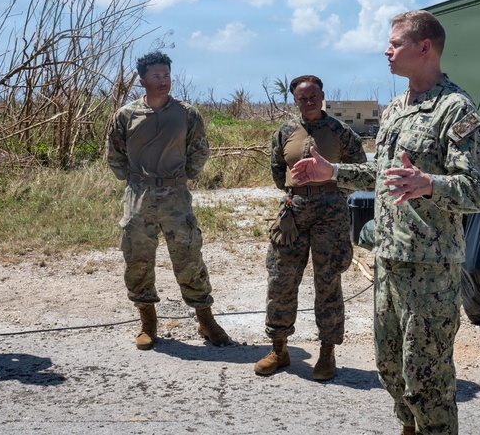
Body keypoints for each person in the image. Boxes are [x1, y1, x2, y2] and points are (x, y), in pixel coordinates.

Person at [291, 10, 480, 435]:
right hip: (390, 260)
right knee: (390, 367)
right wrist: (334, 173)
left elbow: (476, 190)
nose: (387, 49)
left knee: (428, 378)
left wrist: (429, 183)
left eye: (395, 42)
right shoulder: (397, 107)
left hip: (431, 270)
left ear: (424, 48)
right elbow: (382, 174)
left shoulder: (455, 110)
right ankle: (408, 427)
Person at [106, 50, 230, 350]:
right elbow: (115, 154)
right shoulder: (126, 115)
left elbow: (199, 150)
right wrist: (137, 180)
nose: (163, 81)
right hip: (138, 197)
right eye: (156, 76)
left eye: (167, 75)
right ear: (142, 80)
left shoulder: (187, 113)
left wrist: (181, 177)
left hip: (176, 197)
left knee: (189, 257)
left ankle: (205, 318)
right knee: (137, 260)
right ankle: (148, 322)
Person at [255, 75, 367, 381]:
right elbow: (279, 173)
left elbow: (360, 172)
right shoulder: (284, 133)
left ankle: (326, 354)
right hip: (294, 211)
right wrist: (297, 193)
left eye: (313, 96)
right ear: (295, 101)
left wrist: (331, 191)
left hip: (330, 213)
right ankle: (279, 349)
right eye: (303, 98)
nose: (309, 102)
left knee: (327, 283)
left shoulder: (341, 132)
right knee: (281, 279)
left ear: (322, 96)